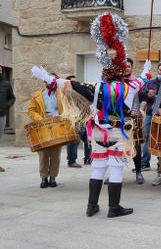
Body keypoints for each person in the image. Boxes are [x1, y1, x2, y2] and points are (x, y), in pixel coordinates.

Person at [31, 12, 152, 217]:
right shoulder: (131, 85)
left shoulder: (94, 88)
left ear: (104, 73)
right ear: (122, 72)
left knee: (98, 167)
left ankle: (91, 206)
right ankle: (114, 208)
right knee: (115, 168)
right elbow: (144, 78)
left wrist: (47, 77)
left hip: (97, 132)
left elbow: (68, 84)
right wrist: (148, 67)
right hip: (119, 132)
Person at [28, 73, 64, 188]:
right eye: (48, 80)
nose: (50, 82)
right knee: (43, 153)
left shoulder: (62, 94)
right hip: (42, 125)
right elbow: (31, 110)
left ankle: (53, 177)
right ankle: (44, 177)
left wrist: (61, 116)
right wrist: (40, 118)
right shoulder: (37, 95)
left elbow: (68, 108)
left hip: (57, 124)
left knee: (55, 153)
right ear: (45, 81)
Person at [140, 62, 161, 170]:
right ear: (157, 70)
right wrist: (148, 94)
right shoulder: (151, 82)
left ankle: (160, 163)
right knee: (147, 138)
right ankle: (145, 163)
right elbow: (143, 96)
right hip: (150, 114)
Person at [124, 58, 145, 184]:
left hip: (134, 117)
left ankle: (138, 172)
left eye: (128, 66)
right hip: (118, 118)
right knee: (117, 146)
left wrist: (141, 109)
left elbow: (143, 98)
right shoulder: (115, 82)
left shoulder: (137, 82)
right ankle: (116, 175)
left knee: (136, 146)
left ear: (132, 68)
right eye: (124, 66)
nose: (126, 68)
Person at [65, 75, 84, 168]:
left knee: (88, 139)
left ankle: (88, 158)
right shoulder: (65, 93)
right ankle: (71, 161)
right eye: (73, 82)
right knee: (74, 140)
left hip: (83, 119)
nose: (76, 84)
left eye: (77, 82)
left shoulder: (80, 92)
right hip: (72, 120)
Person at [0, 66, 15, 141]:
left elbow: (12, 98)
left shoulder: (6, 84)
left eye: (0, 70)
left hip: (2, 115)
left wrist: (6, 105)